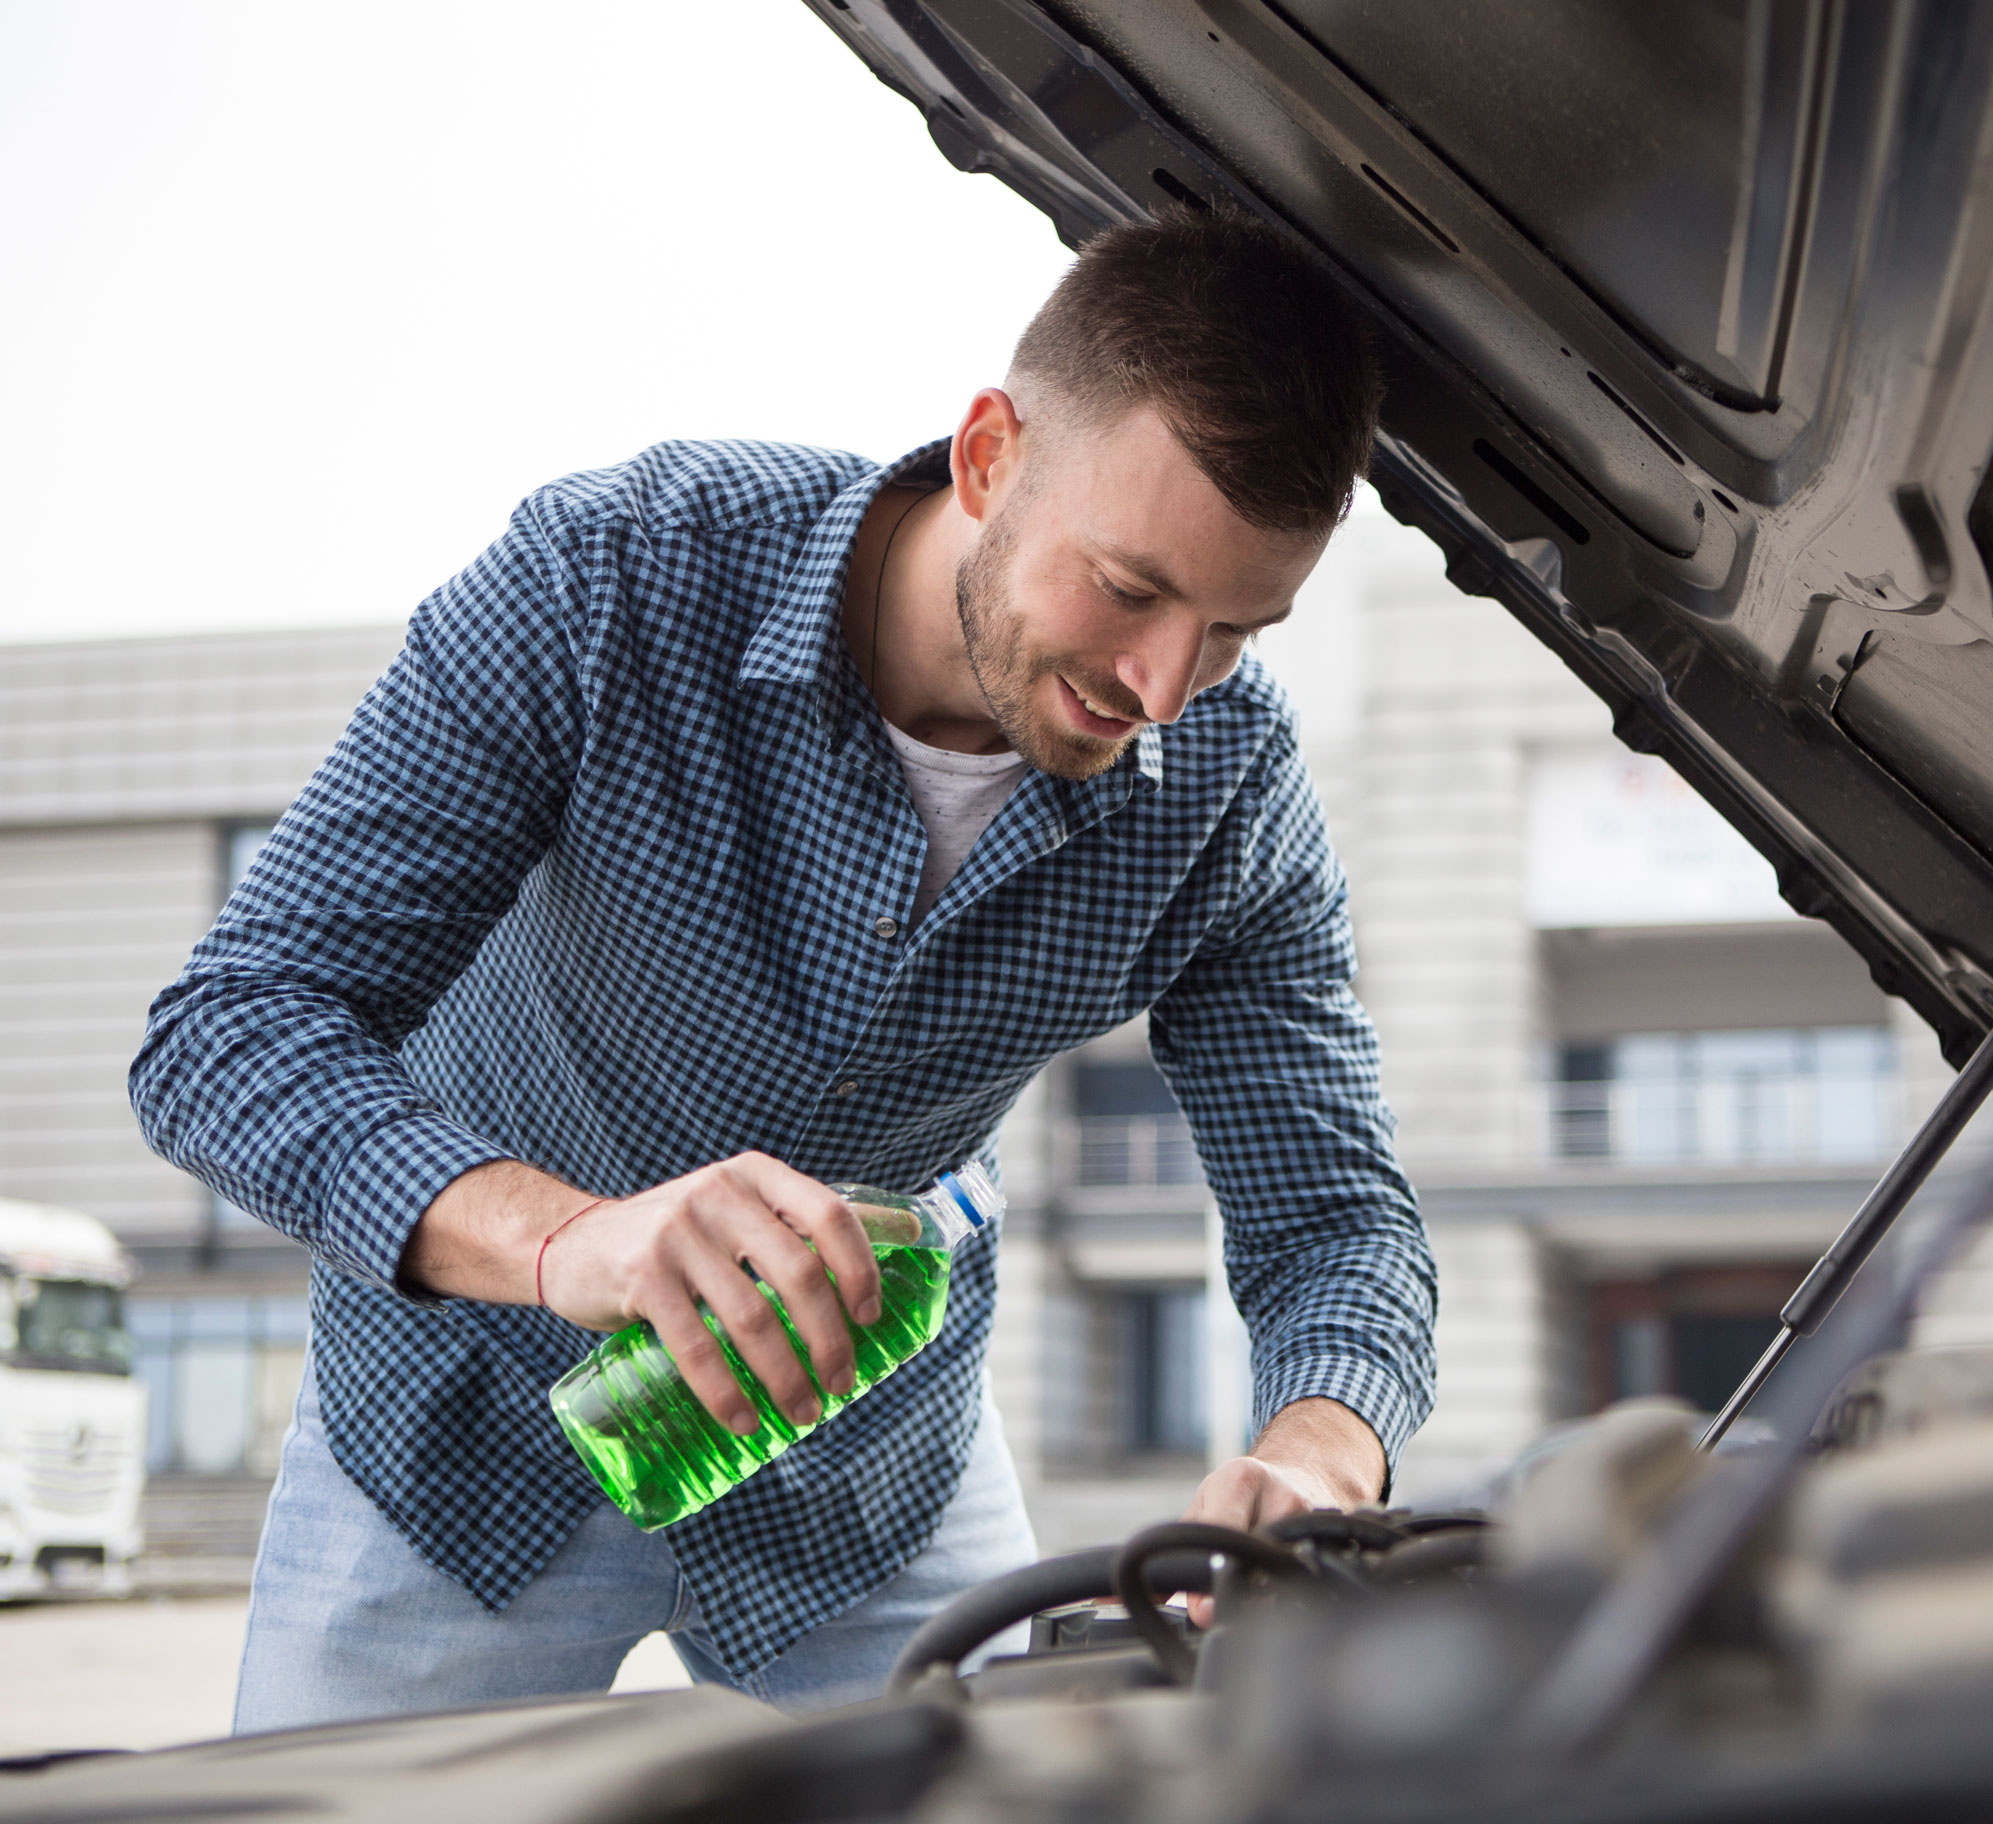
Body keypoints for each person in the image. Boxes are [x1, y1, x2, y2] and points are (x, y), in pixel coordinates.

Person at [131, 208, 1436, 1729]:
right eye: (1130, 589)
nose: (1159, 688)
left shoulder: (1228, 791)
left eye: (1232, 630)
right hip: (457, 1449)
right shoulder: (610, 581)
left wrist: (1318, 1453)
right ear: (991, 454)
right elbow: (225, 1033)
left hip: (869, 1491)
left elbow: (1340, 1222)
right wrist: (576, 1246)